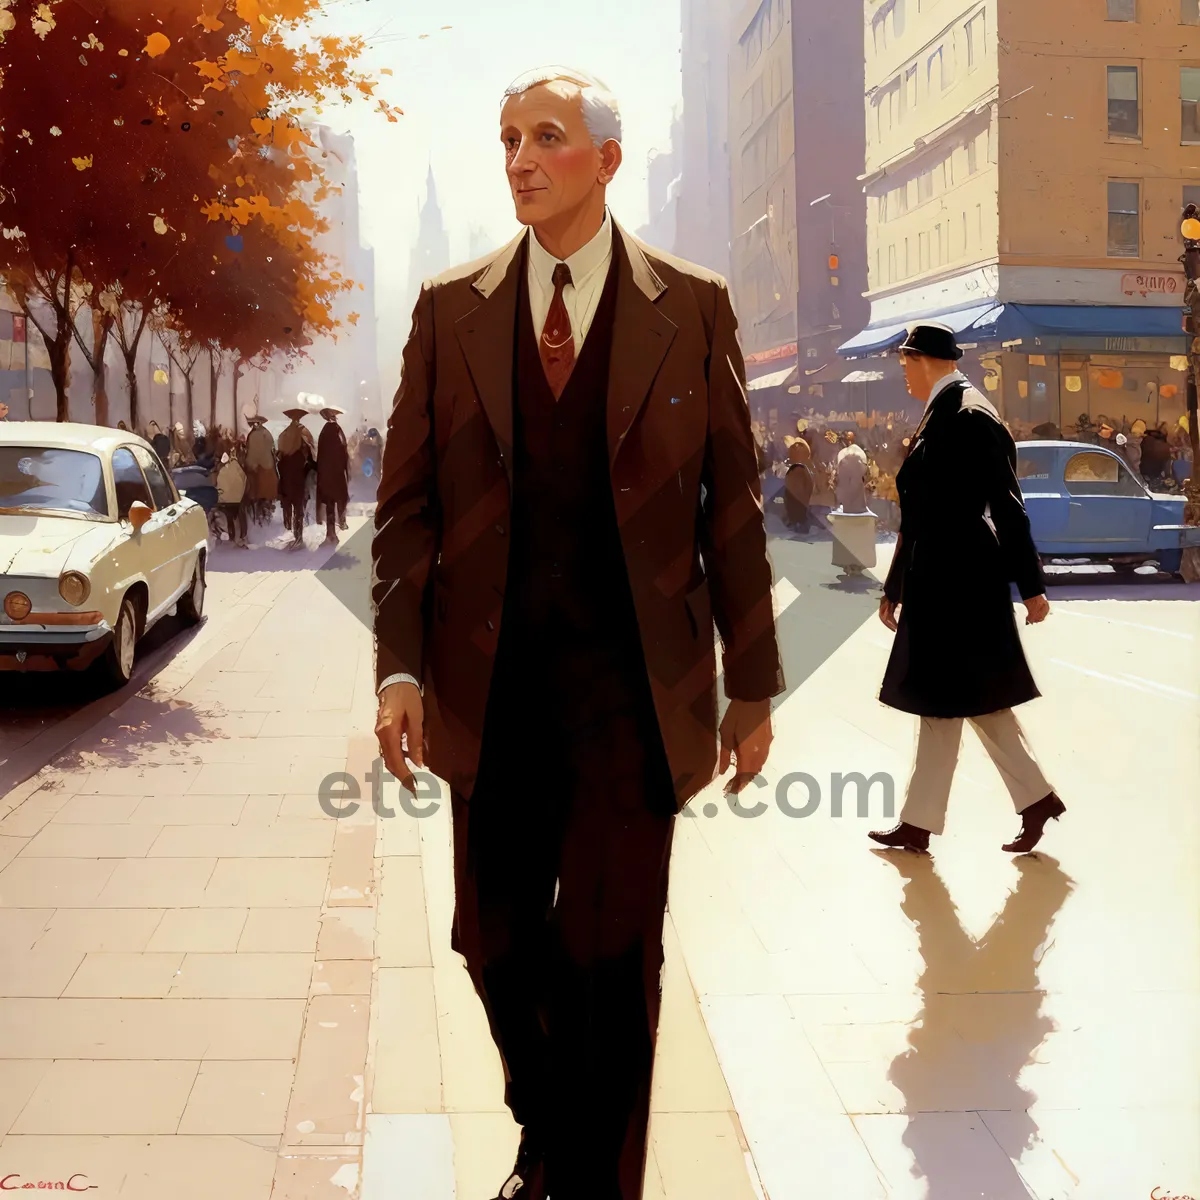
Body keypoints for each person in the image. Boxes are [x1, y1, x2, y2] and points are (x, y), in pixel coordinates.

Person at [371, 65, 782, 1200]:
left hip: (631, 698)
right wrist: (398, 663)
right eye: (507, 139)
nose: (519, 159)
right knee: (490, 944)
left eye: (544, 137)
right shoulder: (449, 309)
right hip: (485, 689)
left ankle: (602, 1180)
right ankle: (546, 1122)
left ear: (605, 159)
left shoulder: (691, 305)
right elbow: (406, 508)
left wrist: (752, 687)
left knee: (616, 958)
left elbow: (733, 507)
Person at [870, 322, 1065, 856]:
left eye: (906, 362)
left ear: (925, 360)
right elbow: (919, 514)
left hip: (961, 582)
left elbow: (1007, 504)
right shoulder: (944, 408)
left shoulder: (969, 414)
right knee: (954, 702)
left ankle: (1023, 801)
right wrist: (896, 583)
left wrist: (1031, 587)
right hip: (942, 578)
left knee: (957, 700)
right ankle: (1016, 803)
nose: (902, 371)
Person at [277, 408, 313, 549]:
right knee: (299, 506)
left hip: (286, 473)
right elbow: (310, 450)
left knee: (289, 502)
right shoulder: (302, 432)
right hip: (298, 474)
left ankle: (291, 530)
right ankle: (299, 537)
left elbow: (279, 452)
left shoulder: (284, 433)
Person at [317, 405, 350, 543]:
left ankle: (330, 533)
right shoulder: (338, 431)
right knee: (340, 498)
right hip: (337, 472)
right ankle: (341, 523)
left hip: (326, 472)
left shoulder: (324, 431)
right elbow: (344, 450)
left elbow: (320, 453)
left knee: (330, 502)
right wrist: (345, 468)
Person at [243, 413, 279, 524]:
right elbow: (271, 447)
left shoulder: (252, 435)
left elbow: (251, 453)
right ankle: (266, 512)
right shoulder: (266, 433)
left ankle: (258, 515)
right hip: (267, 466)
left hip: (255, 468)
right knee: (267, 490)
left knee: (254, 490)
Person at [216, 450, 248, 547]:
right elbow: (244, 480)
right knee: (238, 515)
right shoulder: (238, 466)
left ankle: (229, 537)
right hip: (238, 498)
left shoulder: (220, 468)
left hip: (224, 499)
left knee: (228, 515)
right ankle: (241, 536)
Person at [782, 437, 815, 531]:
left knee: (797, 510)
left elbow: (808, 484)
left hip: (797, 497)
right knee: (797, 510)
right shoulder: (802, 469)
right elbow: (809, 484)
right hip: (798, 497)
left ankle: (799, 525)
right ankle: (798, 524)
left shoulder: (797, 470)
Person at [835, 430, 869, 513]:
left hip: (846, 492)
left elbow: (839, 472)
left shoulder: (842, 453)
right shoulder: (861, 453)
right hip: (858, 491)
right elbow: (865, 472)